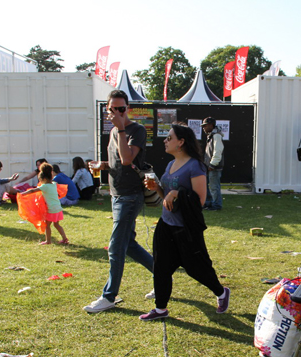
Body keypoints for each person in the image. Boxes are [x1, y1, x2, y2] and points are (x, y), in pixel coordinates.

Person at [140, 124, 230, 321]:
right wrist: (157, 188)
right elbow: (166, 198)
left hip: (186, 228)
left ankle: (221, 292)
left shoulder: (195, 166)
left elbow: (200, 200)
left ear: (181, 142)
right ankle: (161, 308)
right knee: (161, 266)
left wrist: (177, 192)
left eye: (169, 138)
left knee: (196, 269)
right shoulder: (170, 165)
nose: (165, 140)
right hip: (166, 224)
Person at [83, 90, 154, 314]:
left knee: (116, 247)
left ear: (128, 109)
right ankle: (162, 275)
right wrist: (101, 165)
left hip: (130, 196)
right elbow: (116, 161)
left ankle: (109, 296)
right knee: (128, 244)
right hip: (116, 194)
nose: (117, 113)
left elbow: (126, 159)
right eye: (112, 109)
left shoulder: (136, 130)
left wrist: (121, 128)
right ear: (107, 110)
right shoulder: (115, 131)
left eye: (121, 109)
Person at [19, 163, 69, 245]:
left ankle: (48, 241)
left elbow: (32, 191)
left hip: (51, 209)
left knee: (47, 225)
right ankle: (65, 238)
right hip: (58, 208)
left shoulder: (44, 186)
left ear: (43, 178)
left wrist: (23, 193)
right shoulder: (54, 184)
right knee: (57, 225)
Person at [202, 116, 224, 211]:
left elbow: (217, 151)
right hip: (210, 166)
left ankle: (216, 205)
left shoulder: (216, 136)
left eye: (205, 126)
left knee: (214, 187)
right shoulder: (212, 135)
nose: (203, 128)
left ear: (211, 125)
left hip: (214, 167)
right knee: (210, 186)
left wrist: (212, 164)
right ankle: (210, 203)